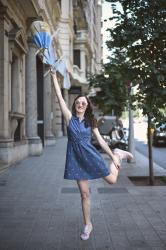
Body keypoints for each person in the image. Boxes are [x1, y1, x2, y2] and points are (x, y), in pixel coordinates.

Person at [50, 70, 133, 241]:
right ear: (74, 105)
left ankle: (118, 154)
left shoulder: (90, 122)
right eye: (78, 102)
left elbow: (101, 142)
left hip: (91, 155)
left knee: (112, 181)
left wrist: (111, 156)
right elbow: (59, 96)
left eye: (83, 103)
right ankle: (88, 224)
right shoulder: (69, 118)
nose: (80, 104)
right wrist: (54, 77)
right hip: (75, 160)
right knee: (84, 194)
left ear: (87, 106)